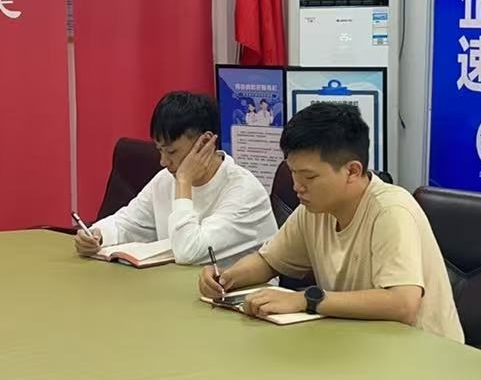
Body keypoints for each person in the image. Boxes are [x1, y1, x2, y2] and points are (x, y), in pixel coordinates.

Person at [198, 102, 464, 342]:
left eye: (309, 177)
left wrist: (307, 300)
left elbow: (402, 304)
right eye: (293, 173)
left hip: (423, 353)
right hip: (360, 344)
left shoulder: (390, 210)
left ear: (352, 171)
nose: (297, 186)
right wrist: (227, 278)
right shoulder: (314, 210)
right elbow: (269, 261)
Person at [75, 91, 276, 265]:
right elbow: (127, 223)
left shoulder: (244, 191)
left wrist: (184, 181)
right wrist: (97, 234)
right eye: (159, 150)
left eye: (171, 151)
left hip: (241, 294)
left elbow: (188, 251)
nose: (163, 161)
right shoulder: (165, 180)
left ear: (205, 142)